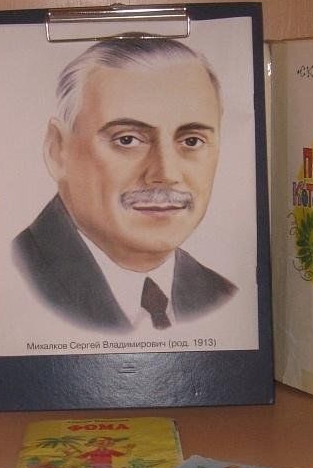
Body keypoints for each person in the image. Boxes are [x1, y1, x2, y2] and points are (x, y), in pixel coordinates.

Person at [13, 36, 237, 331]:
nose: (166, 173)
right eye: (127, 140)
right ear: (58, 151)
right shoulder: (19, 280)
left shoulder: (221, 296)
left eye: (192, 141)